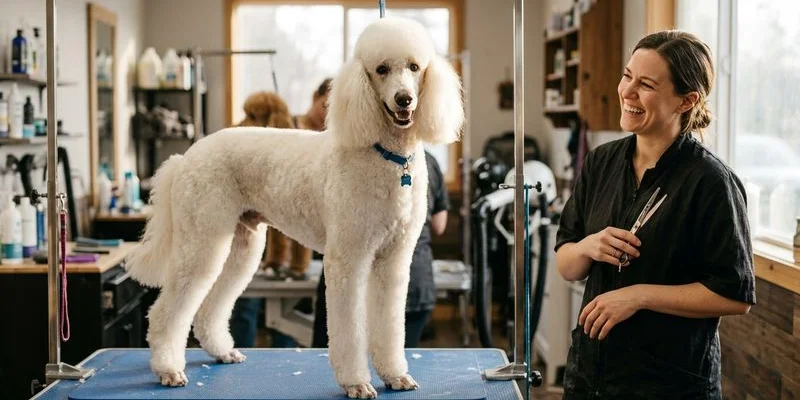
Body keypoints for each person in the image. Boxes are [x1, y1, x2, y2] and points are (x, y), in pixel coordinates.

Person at [554, 30, 755, 399]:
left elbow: (734, 295)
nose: (627, 92)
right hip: (589, 377)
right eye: (627, 76)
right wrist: (587, 246)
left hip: (668, 384)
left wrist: (639, 296)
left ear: (687, 100)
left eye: (646, 84)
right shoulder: (600, 162)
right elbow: (567, 265)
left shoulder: (711, 181)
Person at [312, 151, 449, 348]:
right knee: (396, 355)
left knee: (334, 353)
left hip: (353, 275)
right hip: (413, 278)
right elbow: (439, 225)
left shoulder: (350, 157)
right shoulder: (429, 161)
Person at [263, 78, 332, 281]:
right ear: (315, 97)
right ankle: (275, 262)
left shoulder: (332, 138)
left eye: (332, 109)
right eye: (324, 106)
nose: (326, 114)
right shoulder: (286, 124)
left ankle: (299, 265)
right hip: (280, 199)